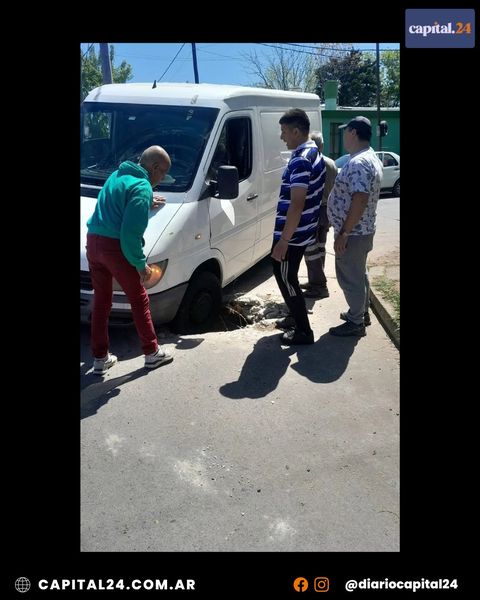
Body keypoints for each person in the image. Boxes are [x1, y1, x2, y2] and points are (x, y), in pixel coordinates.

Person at [86, 145, 174, 374]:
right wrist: (140, 264)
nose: (163, 178)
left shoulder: (118, 175)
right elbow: (129, 235)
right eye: (163, 172)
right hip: (115, 248)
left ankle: (100, 358)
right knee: (139, 298)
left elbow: (117, 203)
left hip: (93, 243)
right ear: (154, 167)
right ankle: (152, 353)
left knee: (102, 302)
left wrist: (144, 202)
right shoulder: (142, 187)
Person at [271, 108, 326, 345]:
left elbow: (297, 204)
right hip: (301, 231)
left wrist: (284, 240)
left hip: (293, 235)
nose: (282, 137)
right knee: (284, 274)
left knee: (285, 277)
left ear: (296, 131)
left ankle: (303, 330)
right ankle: (294, 317)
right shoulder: (313, 152)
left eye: (284, 132)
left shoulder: (302, 160)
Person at [327, 117, 383, 337]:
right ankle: (361, 313)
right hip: (363, 230)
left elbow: (360, 198)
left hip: (354, 233)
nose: (343, 136)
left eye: (345, 132)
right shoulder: (370, 158)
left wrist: (344, 233)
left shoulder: (359, 162)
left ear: (353, 133)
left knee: (349, 276)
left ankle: (355, 321)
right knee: (359, 274)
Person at [302, 131, 338, 298]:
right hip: (326, 211)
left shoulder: (310, 163)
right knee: (320, 248)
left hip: (313, 211)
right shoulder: (331, 163)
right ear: (322, 145)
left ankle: (319, 286)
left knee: (311, 251)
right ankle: (316, 280)